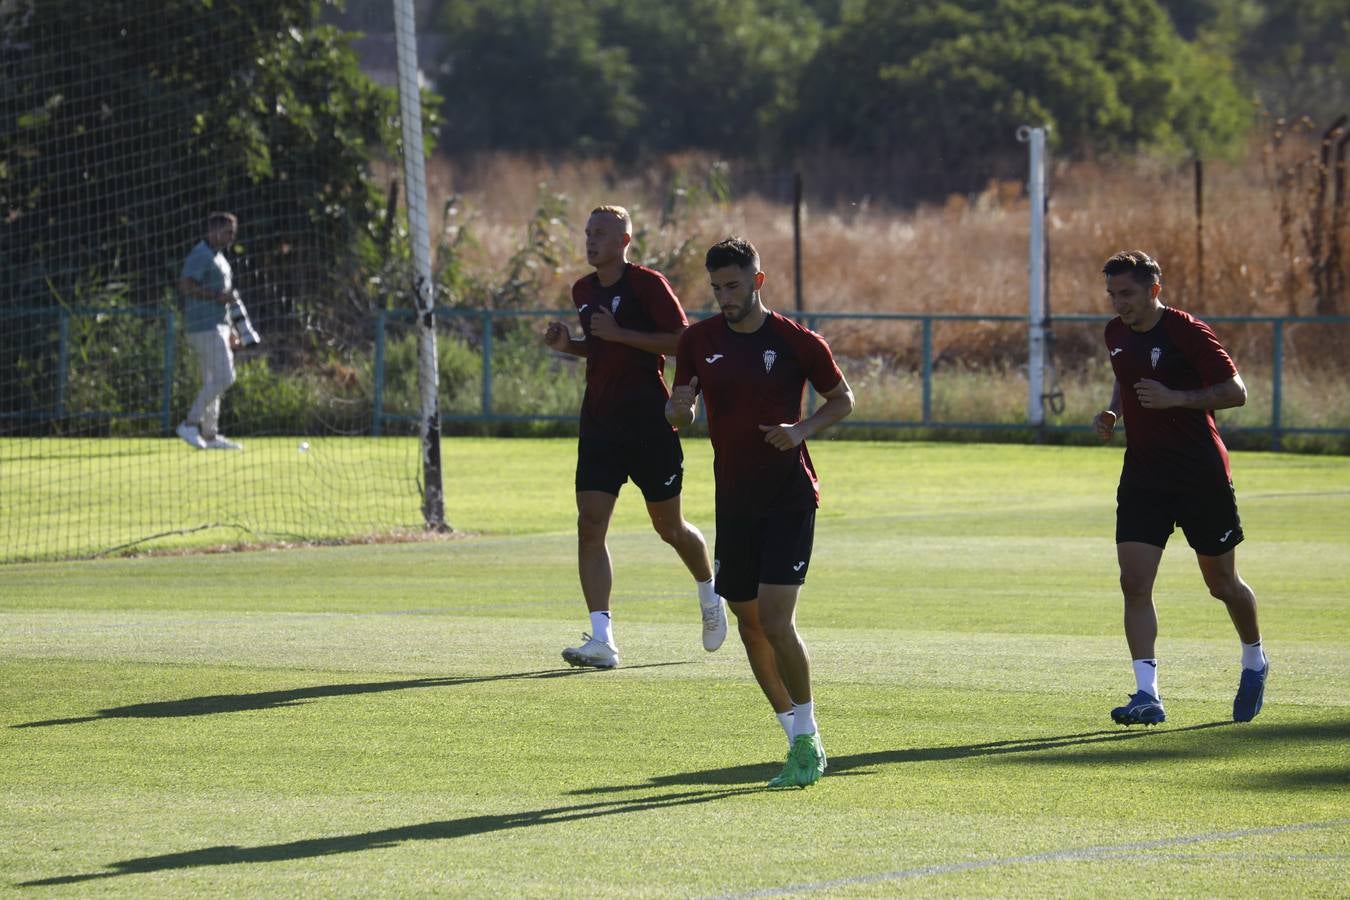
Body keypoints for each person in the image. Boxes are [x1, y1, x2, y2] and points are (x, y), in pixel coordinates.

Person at [667, 237, 854, 788]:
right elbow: (682, 411)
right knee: (750, 627)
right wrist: (679, 410)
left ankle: (808, 736)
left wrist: (800, 430)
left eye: (734, 285)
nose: (725, 296)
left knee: (776, 620)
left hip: (789, 497)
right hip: (736, 502)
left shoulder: (797, 340)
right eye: (717, 287)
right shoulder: (698, 340)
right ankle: (798, 738)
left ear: (758, 281)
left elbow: (843, 398)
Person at [542, 205, 726, 669]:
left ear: (625, 240)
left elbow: (684, 340)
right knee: (590, 524)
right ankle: (602, 640)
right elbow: (602, 349)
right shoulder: (582, 290)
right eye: (587, 232)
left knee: (669, 528)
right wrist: (570, 347)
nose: (590, 240)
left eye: (600, 233)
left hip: (649, 422)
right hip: (600, 424)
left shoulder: (647, 284)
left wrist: (621, 333)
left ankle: (710, 591)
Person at [1093, 249, 1268, 727]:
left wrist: (1177, 399)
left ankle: (1254, 659)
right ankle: (1146, 694)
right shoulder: (1114, 333)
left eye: (1126, 293)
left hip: (1199, 472)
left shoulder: (1188, 331)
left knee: (1222, 585)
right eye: (1111, 294)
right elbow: (1125, 379)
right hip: (1144, 473)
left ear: (1153, 289)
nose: (1117, 303)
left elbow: (1236, 392)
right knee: (1133, 583)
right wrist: (1115, 412)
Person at [176, 211, 243, 451]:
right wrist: (216, 296)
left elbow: (224, 298)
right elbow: (185, 285)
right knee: (226, 377)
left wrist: (232, 329)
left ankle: (210, 435)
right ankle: (189, 423)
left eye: (233, 232)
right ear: (212, 231)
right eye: (227, 231)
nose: (231, 236)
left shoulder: (220, 258)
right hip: (203, 326)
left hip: (220, 326)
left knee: (212, 381)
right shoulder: (201, 254)